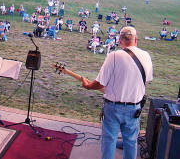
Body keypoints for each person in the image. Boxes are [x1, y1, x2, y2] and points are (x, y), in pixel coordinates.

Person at [64, 26, 153, 159]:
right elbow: (145, 82)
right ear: (136, 39)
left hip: (113, 107)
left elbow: (100, 83)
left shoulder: (114, 55)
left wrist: (88, 86)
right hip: (135, 107)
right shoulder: (146, 56)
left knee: (109, 141)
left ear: (120, 40)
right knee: (131, 142)